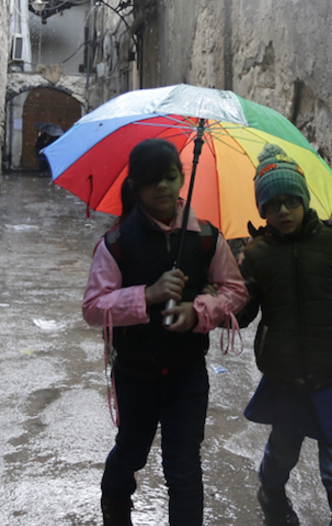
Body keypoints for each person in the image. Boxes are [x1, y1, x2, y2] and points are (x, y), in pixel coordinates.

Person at [82, 138, 249, 526]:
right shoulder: (117, 244)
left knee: (183, 465)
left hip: (187, 373)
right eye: (151, 180)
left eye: (170, 177)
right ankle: (115, 503)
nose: (162, 187)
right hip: (135, 371)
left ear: (181, 180)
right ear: (136, 186)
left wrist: (200, 310)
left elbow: (236, 290)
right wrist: (148, 294)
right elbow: (93, 307)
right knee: (131, 452)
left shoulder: (206, 237)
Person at [237, 143, 332, 526]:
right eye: (273, 204)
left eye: (291, 201)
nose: (283, 211)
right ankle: (272, 494)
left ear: (303, 200)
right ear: (262, 210)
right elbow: (244, 311)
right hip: (283, 377)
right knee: (282, 451)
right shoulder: (255, 255)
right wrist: (222, 297)